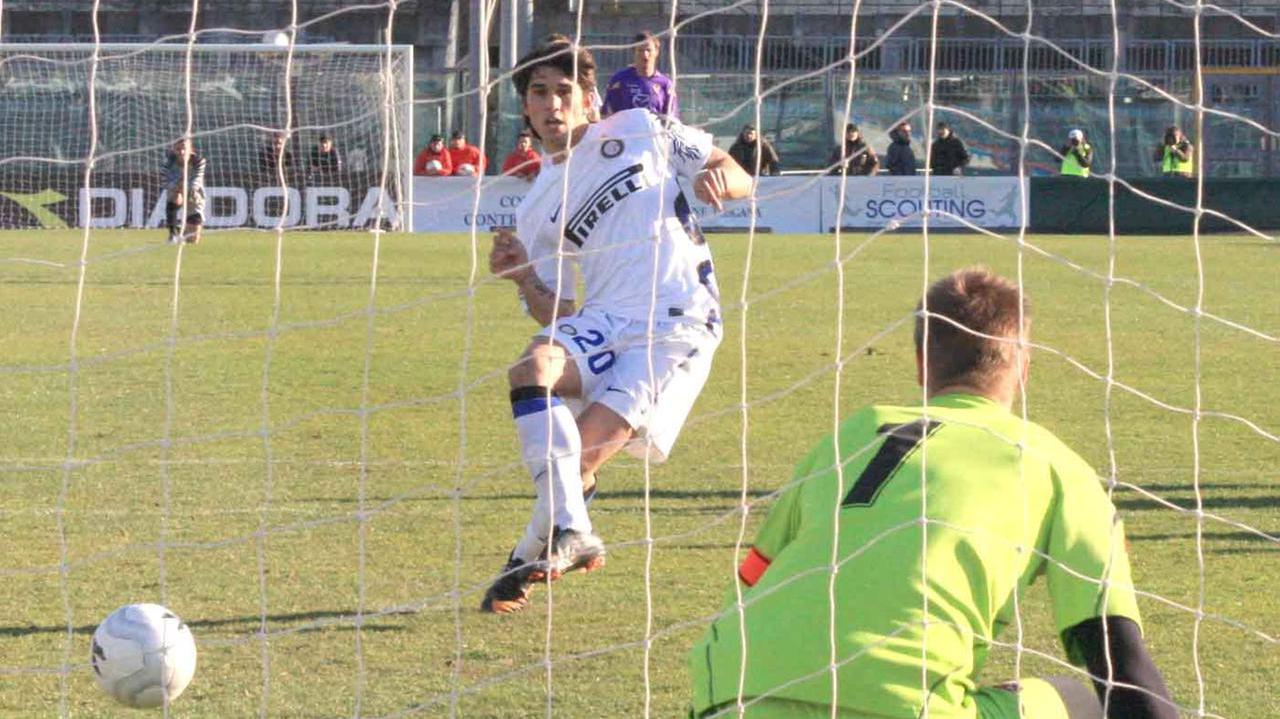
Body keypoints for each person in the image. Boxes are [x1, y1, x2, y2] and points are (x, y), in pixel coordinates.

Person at [690, 267, 1178, 719]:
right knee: (1078, 702)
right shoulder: (1056, 465)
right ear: (1023, 367)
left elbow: (756, 575)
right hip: (904, 705)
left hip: (729, 691)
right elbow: (1118, 660)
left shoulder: (856, 430)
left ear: (923, 365)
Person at [482, 34, 752, 614]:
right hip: (606, 319)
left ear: (587, 98)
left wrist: (722, 181)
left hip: (679, 321)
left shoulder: (640, 127)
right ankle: (572, 534)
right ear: (524, 107)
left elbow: (737, 171)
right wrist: (523, 278)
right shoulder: (537, 205)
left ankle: (520, 566)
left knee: (575, 466)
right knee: (533, 367)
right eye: (539, 93)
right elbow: (557, 310)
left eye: (564, 91)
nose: (553, 104)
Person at [601, 31, 677, 118]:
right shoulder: (619, 80)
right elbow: (607, 114)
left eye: (648, 50)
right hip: (626, 130)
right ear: (634, 52)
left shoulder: (665, 84)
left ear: (656, 52)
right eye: (640, 50)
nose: (645, 55)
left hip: (654, 131)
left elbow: (672, 119)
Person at [161, 137, 206, 245]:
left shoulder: (199, 161)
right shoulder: (167, 163)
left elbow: (197, 181)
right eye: (178, 149)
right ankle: (173, 234)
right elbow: (165, 182)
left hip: (193, 194)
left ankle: (182, 228)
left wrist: (186, 187)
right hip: (176, 190)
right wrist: (177, 187)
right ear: (173, 150)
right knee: (173, 196)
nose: (181, 152)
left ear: (191, 150)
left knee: (193, 240)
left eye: (184, 149)